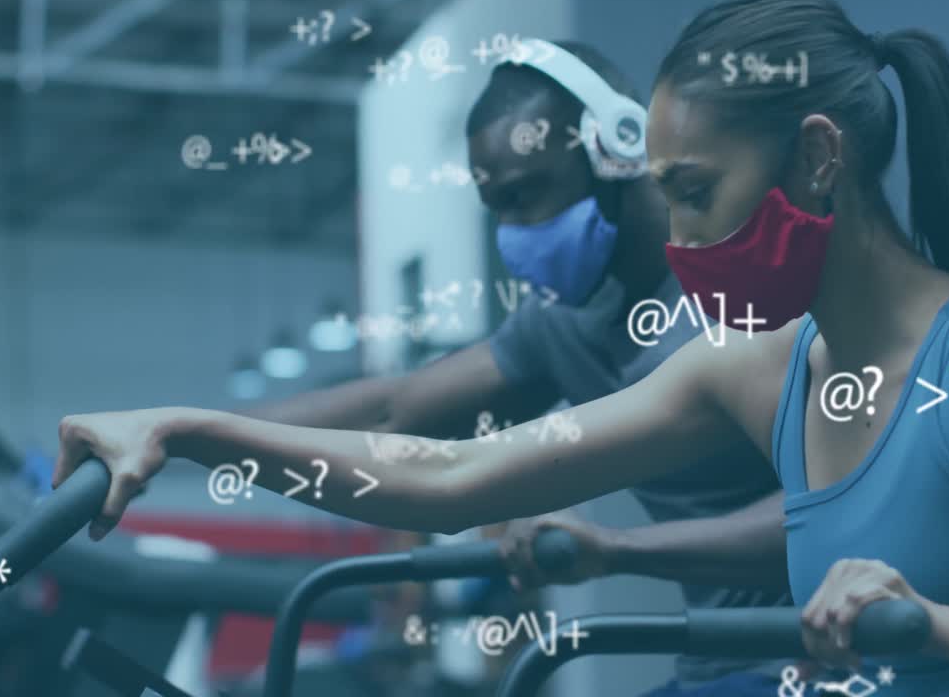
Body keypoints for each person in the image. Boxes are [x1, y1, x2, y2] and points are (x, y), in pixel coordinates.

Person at [55, 0, 949, 696]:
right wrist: (189, 431)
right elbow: (451, 474)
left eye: (694, 191)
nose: (674, 241)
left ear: (817, 161)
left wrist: (942, 631)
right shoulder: (751, 366)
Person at [195, 41, 794, 694]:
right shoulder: (562, 323)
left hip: (840, 659)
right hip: (717, 669)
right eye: (498, 209)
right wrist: (187, 433)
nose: (514, 235)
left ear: (620, 146)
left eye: (527, 195)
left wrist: (615, 552)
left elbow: (840, 506)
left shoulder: (751, 291)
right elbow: (398, 412)